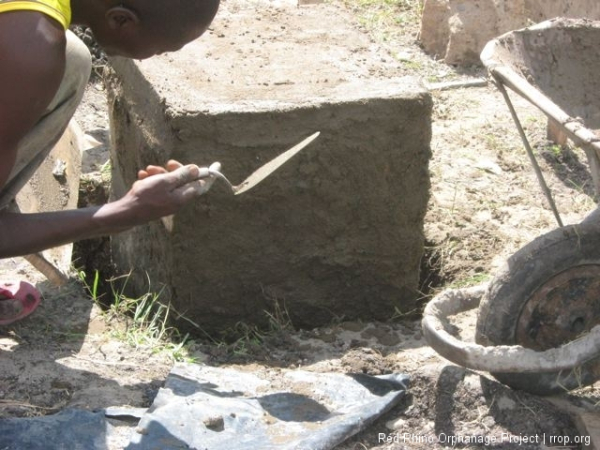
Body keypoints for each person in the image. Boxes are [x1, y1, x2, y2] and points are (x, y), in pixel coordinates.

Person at [0, 0, 221, 323]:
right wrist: (121, 213)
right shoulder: (30, 50)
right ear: (121, 20)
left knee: (72, 61)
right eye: (167, 48)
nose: (166, 55)